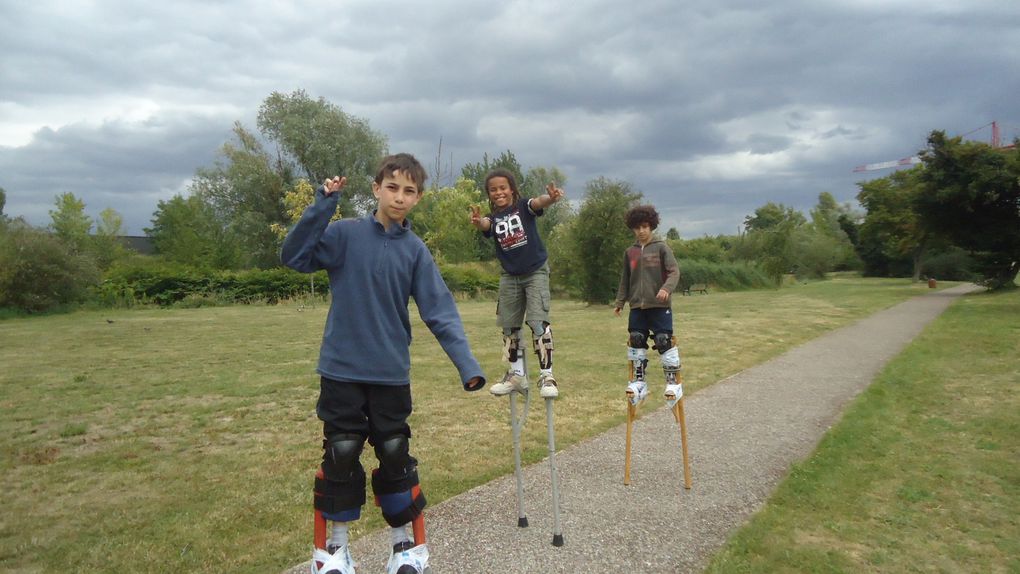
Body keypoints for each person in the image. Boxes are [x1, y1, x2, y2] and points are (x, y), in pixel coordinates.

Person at [282, 153, 486, 574]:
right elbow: (294, 257)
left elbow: (440, 310)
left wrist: (467, 364)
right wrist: (323, 203)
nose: (399, 197)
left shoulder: (414, 250)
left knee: (394, 453)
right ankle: (335, 551)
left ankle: (405, 547)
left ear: (418, 198)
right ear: (376, 189)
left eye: (409, 191)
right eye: (392, 187)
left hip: (390, 373)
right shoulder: (344, 234)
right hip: (341, 369)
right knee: (342, 452)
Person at [469, 168, 564, 399]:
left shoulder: (523, 206)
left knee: (537, 321)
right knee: (509, 326)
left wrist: (550, 199)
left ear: (511, 189)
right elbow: (485, 225)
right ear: (489, 194)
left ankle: (546, 376)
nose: (498, 192)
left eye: (503, 188)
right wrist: (477, 221)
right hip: (510, 275)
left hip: (535, 272)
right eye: (493, 190)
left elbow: (538, 202)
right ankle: (517, 375)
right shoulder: (494, 218)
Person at [613, 204, 682, 405]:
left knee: (663, 340)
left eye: (644, 226)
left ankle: (672, 383)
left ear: (651, 226)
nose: (641, 231)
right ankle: (639, 382)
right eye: (637, 227)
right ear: (632, 229)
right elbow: (625, 279)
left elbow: (674, 272)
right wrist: (620, 301)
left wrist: (666, 288)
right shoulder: (630, 252)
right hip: (637, 306)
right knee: (636, 340)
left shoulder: (662, 247)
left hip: (659, 305)